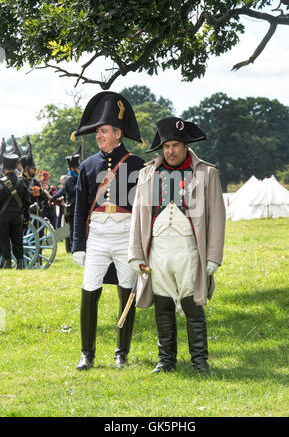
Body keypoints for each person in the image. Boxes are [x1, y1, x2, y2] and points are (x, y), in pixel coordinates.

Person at [128, 117, 226, 374]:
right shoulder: (148, 174)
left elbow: (217, 217)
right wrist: (136, 255)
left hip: (190, 249)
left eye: (175, 145)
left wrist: (213, 256)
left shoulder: (207, 173)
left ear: (186, 146)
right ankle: (166, 361)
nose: (170, 151)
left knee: (193, 304)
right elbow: (137, 216)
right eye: (166, 146)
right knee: (162, 305)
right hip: (157, 249)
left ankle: (199, 361)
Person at [71, 91, 145, 371]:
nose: (99, 136)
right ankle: (86, 353)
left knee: (127, 291)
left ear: (118, 133)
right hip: (98, 238)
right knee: (89, 290)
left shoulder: (137, 164)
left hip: (126, 236)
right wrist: (79, 245)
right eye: (98, 132)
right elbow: (78, 209)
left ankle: (121, 353)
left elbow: (146, 208)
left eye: (103, 131)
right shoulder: (88, 165)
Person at [0, 153, 31, 269]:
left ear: (4, 167)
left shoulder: (1, 182)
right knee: (18, 241)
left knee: (4, 241)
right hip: (17, 216)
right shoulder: (21, 182)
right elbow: (26, 202)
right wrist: (26, 218)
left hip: (2, 217)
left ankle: (7, 264)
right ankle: (20, 264)